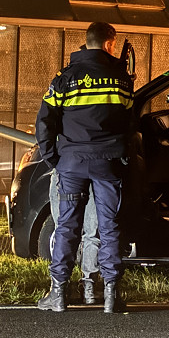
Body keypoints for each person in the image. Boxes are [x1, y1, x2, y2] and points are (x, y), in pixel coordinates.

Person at [35, 22, 134, 313]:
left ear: (86, 42)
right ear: (110, 44)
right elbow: (130, 124)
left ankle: (58, 295)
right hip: (108, 164)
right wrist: (123, 156)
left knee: (67, 227)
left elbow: (45, 121)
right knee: (109, 227)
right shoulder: (121, 78)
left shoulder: (66, 77)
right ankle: (111, 296)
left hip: (71, 164)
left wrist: (54, 157)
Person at [48, 168, 101, 304]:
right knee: (92, 233)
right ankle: (89, 287)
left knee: (63, 231)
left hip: (66, 168)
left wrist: (55, 161)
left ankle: (59, 288)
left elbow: (45, 147)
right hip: (96, 170)